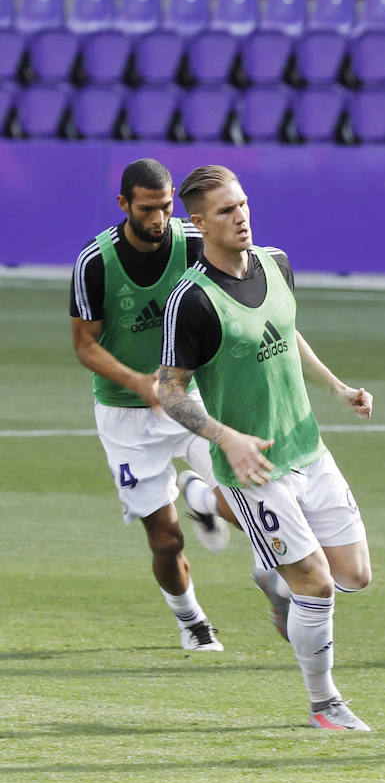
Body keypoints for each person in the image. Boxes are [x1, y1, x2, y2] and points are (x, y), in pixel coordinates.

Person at [157, 165, 376, 731]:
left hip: (308, 446)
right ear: (199, 222)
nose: (242, 216)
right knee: (317, 585)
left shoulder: (276, 263)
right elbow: (170, 389)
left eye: (244, 204)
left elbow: (286, 328)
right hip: (252, 469)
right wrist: (223, 436)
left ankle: (226, 525)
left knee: (354, 575)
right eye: (227, 210)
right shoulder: (193, 300)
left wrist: (337, 386)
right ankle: (325, 704)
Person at [69, 157, 236, 652]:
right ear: (124, 205)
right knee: (166, 539)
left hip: (189, 397)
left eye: (166, 208)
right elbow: (85, 344)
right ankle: (191, 620)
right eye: (148, 209)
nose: (159, 219)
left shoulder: (191, 242)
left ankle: (203, 499)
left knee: (243, 499)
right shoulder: (95, 262)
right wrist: (141, 384)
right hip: (126, 414)